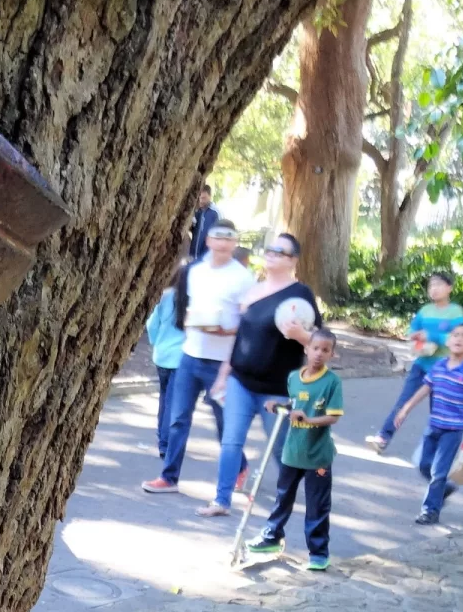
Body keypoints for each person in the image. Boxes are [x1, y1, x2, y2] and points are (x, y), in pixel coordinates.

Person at [195, 232, 320, 517]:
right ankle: (221, 501)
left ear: (293, 260)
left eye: (280, 251)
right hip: (240, 381)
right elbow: (240, 337)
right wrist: (223, 374)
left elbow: (319, 342)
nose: (271, 254)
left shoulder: (301, 294)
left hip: (277, 389)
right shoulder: (253, 290)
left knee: (280, 449)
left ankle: (291, 500)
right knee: (231, 441)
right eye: (270, 249)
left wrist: (301, 335)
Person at [141, 220, 256, 495]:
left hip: (221, 361)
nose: (223, 243)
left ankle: (239, 467)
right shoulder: (195, 272)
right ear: (208, 241)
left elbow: (250, 322)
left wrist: (226, 330)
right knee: (178, 418)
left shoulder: (242, 278)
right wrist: (192, 320)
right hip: (190, 355)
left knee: (223, 421)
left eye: (229, 238)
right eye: (218, 237)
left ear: (234, 243)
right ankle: (169, 477)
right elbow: (187, 308)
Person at [246, 328, 343, 570]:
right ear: (306, 349)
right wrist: (280, 405)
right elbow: (295, 403)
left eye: (325, 350)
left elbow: (333, 417)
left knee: (317, 504)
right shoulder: (294, 378)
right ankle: (271, 537)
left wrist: (308, 419)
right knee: (283, 497)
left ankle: (318, 553)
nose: (319, 354)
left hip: (317, 455)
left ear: (332, 354)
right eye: (315, 348)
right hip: (293, 451)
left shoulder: (332, 382)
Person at [391, 321, 463, 525]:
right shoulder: (439, 366)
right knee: (422, 463)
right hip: (433, 425)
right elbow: (426, 389)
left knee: (438, 471)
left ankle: (430, 511)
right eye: (455, 335)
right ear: (448, 341)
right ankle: (444, 488)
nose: (459, 339)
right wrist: (406, 409)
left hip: (453, 430)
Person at [365, 271, 463, 453]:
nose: (433, 289)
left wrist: (432, 336)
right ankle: (383, 438)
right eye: (431, 285)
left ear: (449, 288)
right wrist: (414, 334)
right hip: (421, 365)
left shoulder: (455, 312)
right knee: (403, 402)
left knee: (438, 411)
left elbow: (457, 338)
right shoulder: (425, 311)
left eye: (438, 285)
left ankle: (439, 451)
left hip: (443, 370)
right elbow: (413, 328)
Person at [145, 261, 188, 459]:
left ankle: (160, 436)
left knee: (164, 398)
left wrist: (156, 342)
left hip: (162, 356)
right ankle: (165, 443)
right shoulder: (196, 300)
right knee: (172, 401)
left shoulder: (165, 296)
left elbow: (152, 325)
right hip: (181, 358)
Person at [187, 184, 219, 259]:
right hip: (193, 255)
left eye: (204, 198)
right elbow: (193, 231)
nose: (201, 201)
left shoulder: (215, 213)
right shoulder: (197, 212)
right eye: (200, 198)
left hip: (206, 257)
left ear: (210, 196)